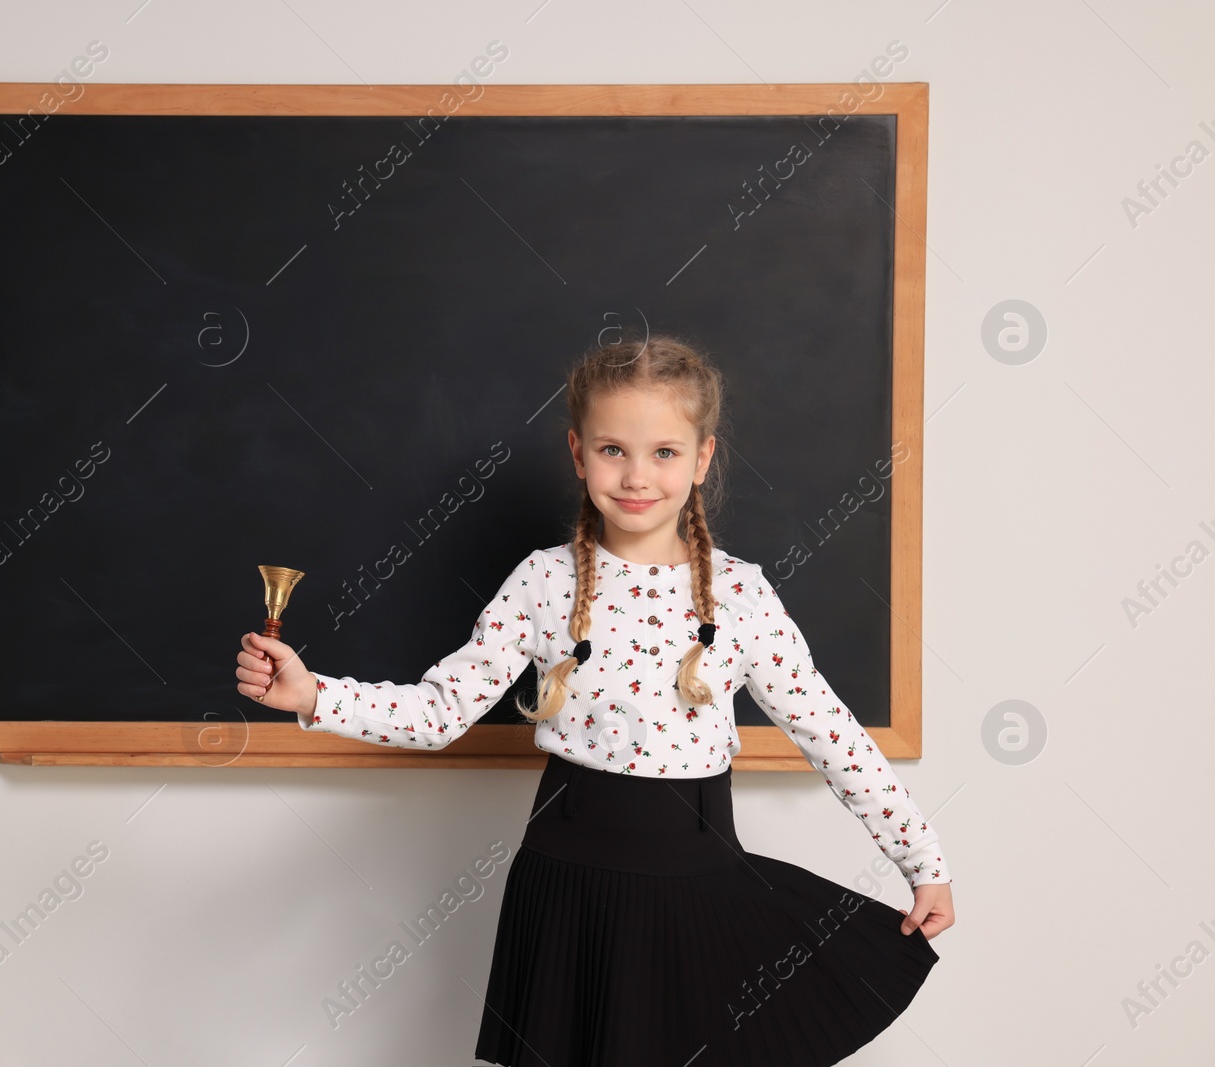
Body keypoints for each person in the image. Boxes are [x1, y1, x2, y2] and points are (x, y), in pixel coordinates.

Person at [235, 335, 955, 1066]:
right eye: (614, 449)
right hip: (566, 888)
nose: (637, 474)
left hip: (697, 889)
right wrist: (313, 692)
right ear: (579, 454)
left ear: (703, 458)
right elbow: (439, 711)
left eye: (665, 452)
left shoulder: (742, 595)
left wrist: (922, 861)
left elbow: (830, 731)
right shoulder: (543, 582)